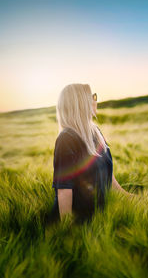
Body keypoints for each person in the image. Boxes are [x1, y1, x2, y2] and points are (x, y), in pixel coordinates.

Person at [47, 83, 134, 225]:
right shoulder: (66, 139)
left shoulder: (95, 132)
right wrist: (67, 230)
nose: (95, 100)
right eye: (92, 96)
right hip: (77, 221)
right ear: (80, 103)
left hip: (99, 217)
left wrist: (131, 198)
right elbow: (64, 190)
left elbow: (109, 177)